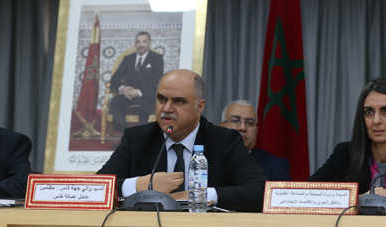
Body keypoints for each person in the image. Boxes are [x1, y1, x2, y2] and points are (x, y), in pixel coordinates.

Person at [98, 69, 266, 212]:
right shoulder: (136, 139)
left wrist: (201, 195)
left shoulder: (224, 141)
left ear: (199, 107)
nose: (167, 108)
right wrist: (140, 185)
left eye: (178, 101)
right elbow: (95, 188)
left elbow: (259, 191)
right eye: (162, 99)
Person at [308, 78, 386, 210]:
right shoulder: (344, 154)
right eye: (369, 112)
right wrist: (361, 199)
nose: (376, 120)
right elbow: (306, 194)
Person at [220, 100, 291, 181]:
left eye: (249, 123)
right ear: (221, 127)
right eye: (235, 121)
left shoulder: (275, 167)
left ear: (256, 130)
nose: (242, 128)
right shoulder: (205, 161)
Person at [110, 31, 164, 134]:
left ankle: (140, 139)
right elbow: (115, 78)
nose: (141, 45)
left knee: (145, 105)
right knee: (115, 101)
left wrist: (138, 92)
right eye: (138, 42)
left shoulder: (157, 58)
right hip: (129, 95)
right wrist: (123, 88)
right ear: (135, 43)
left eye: (144, 41)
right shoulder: (128, 59)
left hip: (147, 95)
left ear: (150, 42)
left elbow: (157, 81)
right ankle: (124, 136)